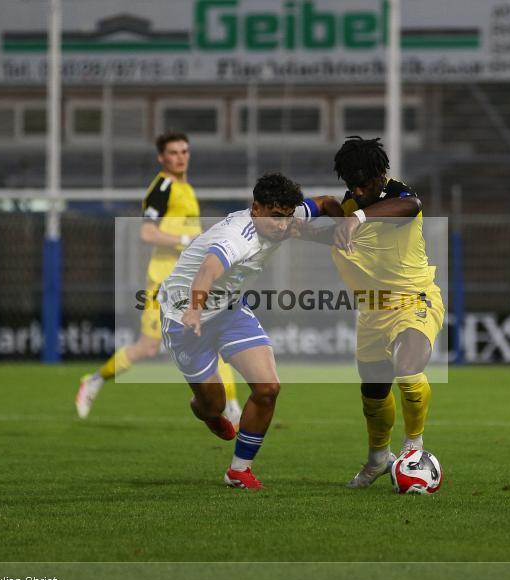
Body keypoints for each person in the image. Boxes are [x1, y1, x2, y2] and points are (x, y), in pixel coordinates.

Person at [159, 172, 335, 490]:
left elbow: (326, 203)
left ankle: (239, 470)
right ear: (256, 208)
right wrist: (195, 310)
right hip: (184, 316)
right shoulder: (236, 237)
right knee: (213, 405)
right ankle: (205, 410)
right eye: (275, 218)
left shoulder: (285, 216)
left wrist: (348, 221)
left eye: (287, 217)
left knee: (268, 388)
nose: (282, 225)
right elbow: (207, 271)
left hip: (229, 311)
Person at [76, 131, 242, 424]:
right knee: (148, 347)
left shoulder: (186, 187)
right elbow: (146, 232)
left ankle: (231, 405)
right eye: (174, 152)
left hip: (191, 280)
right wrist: (185, 239)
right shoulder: (162, 187)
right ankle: (94, 380)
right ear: (161, 157)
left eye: (184, 151)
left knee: (214, 334)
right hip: (165, 282)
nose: (180, 157)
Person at [329, 136, 445, 489]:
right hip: (374, 311)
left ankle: (414, 450)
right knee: (374, 393)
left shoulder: (401, 197)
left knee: (408, 370)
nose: (358, 192)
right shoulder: (351, 204)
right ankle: (379, 459)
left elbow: (411, 205)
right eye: (352, 186)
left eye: (364, 184)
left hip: (415, 300)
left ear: (381, 176)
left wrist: (357, 218)